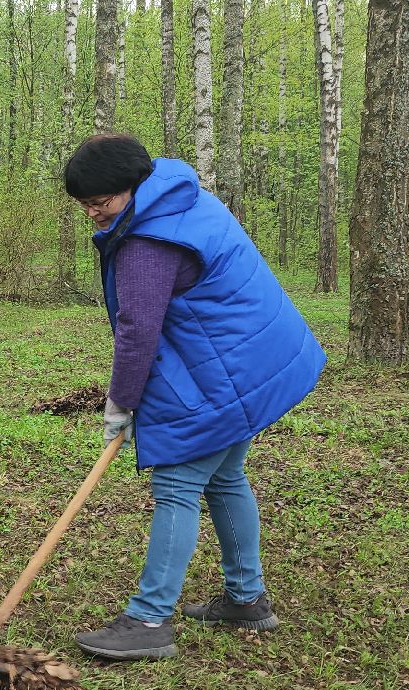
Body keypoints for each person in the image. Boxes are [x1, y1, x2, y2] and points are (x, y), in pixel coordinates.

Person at [66, 134, 326, 661]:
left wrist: (120, 402)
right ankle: (246, 599)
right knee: (226, 475)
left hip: (222, 372)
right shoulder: (180, 195)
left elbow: (137, 329)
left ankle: (148, 618)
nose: (94, 213)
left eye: (103, 202)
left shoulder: (147, 242)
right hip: (249, 359)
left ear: (133, 186)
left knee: (179, 483)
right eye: (85, 204)